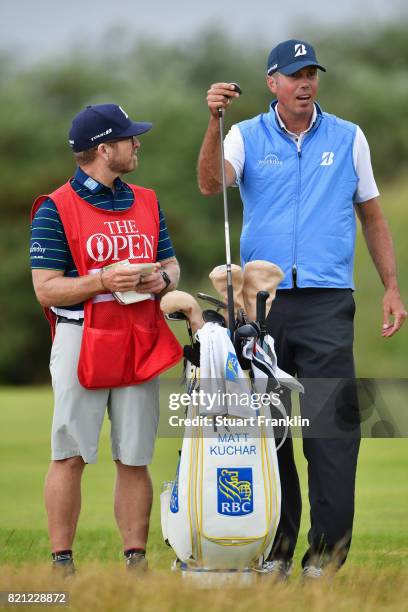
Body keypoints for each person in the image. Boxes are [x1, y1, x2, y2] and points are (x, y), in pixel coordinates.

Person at [197, 40, 406, 579]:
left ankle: (326, 555)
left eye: (311, 73)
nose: (305, 83)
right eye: (294, 75)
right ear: (273, 83)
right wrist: (214, 124)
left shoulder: (348, 136)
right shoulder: (245, 135)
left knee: (332, 431)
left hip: (328, 302)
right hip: (259, 306)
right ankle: (278, 550)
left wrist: (391, 286)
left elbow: (373, 217)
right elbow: (211, 183)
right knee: (270, 431)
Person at [30, 103, 183, 575]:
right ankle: (62, 562)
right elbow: (46, 287)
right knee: (70, 452)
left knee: (135, 454)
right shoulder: (56, 208)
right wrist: (102, 281)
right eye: (129, 138)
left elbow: (171, 266)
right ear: (104, 149)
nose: (137, 143)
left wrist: (161, 278)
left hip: (140, 334)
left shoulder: (147, 199)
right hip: (81, 336)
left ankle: (135, 561)